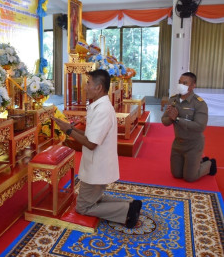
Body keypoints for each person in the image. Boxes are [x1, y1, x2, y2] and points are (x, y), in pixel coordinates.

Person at [52, 69, 142, 229]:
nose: (85, 87)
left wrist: (68, 130)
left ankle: (127, 211)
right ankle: (130, 204)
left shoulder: (103, 110)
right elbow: (89, 134)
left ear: (99, 87)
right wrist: (68, 126)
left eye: (88, 84)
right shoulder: (98, 106)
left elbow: (91, 143)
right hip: (96, 164)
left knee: (83, 207)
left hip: (97, 166)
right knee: (93, 199)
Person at [161, 72, 217, 182]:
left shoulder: (199, 103)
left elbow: (200, 127)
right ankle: (197, 162)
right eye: (179, 82)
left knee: (190, 177)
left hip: (194, 145)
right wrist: (171, 118)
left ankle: (209, 164)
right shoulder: (173, 100)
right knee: (176, 174)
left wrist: (177, 119)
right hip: (178, 144)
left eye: (185, 83)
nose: (181, 85)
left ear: (193, 86)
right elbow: (164, 121)